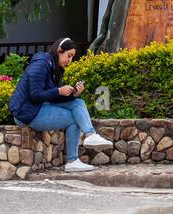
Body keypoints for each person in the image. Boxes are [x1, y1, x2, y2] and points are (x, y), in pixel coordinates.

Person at [8, 37, 112, 173]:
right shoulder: (41, 64)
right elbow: (35, 95)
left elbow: (54, 98)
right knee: (74, 118)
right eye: (69, 56)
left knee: (78, 102)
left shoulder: (54, 68)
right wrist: (58, 90)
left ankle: (90, 135)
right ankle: (73, 160)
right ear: (59, 51)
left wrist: (73, 94)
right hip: (25, 112)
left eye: (72, 57)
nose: (70, 60)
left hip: (38, 108)